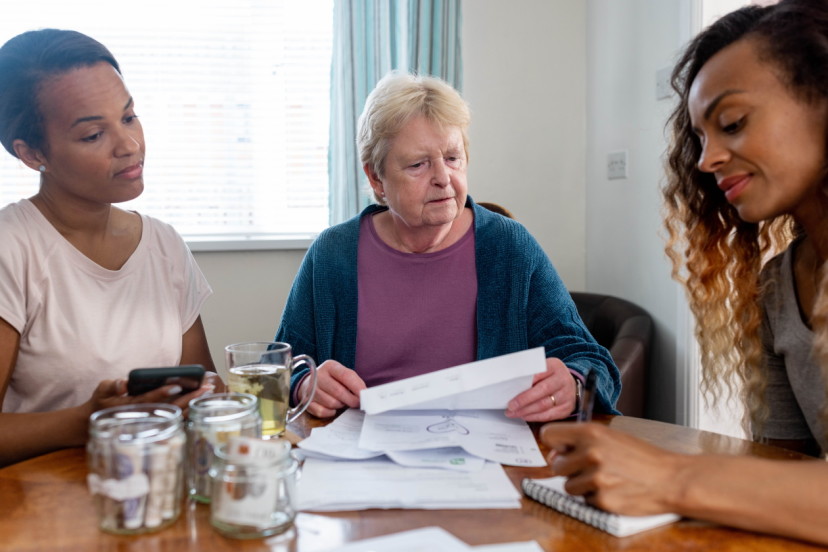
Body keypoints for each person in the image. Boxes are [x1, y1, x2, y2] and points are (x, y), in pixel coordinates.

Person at [540, 0, 828, 545]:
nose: (705, 160)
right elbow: (784, 469)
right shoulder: (777, 288)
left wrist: (671, 477)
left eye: (733, 123)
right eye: (699, 137)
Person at [275, 71, 621, 422]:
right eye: (418, 164)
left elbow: (590, 361)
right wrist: (303, 384)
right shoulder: (333, 253)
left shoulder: (509, 247)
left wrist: (574, 384)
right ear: (375, 178)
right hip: (360, 458)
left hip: (484, 457)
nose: (443, 178)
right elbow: (276, 368)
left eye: (453, 157)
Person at [0, 29, 219, 467]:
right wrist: (86, 421)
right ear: (31, 153)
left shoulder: (163, 245)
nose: (130, 145)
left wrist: (210, 397)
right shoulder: (12, 248)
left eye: (129, 116)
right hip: (41, 510)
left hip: (154, 490)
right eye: (92, 135)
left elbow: (202, 389)